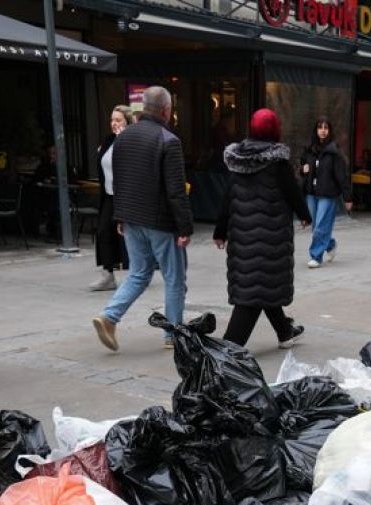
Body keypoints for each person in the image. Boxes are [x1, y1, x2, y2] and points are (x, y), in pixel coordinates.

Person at [91, 85, 193, 352]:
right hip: (159, 220)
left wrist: (120, 216)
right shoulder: (168, 140)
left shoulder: (123, 138)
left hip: (131, 217)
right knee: (174, 277)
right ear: (166, 110)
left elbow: (119, 182)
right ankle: (173, 334)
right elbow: (175, 190)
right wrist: (185, 226)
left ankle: (109, 316)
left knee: (138, 273)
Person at [212, 108, 313, 350]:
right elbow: (292, 192)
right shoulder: (278, 162)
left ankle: (285, 331)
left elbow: (228, 197)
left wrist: (220, 230)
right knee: (257, 289)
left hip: (242, 236)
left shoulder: (238, 160)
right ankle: (229, 349)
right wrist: (305, 216)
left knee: (260, 284)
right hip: (271, 237)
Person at [90, 105, 134, 291]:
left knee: (131, 236)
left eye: (118, 120)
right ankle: (107, 274)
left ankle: (140, 272)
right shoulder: (109, 140)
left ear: (127, 122)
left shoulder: (131, 140)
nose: (114, 123)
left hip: (127, 195)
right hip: (109, 195)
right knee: (103, 232)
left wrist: (122, 138)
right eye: (112, 120)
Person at [299, 117, 353, 268]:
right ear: (315, 130)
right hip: (311, 193)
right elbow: (302, 167)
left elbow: (342, 176)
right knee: (316, 225)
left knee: (321, 226)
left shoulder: (334, 152)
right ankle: (330, 245)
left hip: (327, 195)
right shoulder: (309, 150)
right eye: (320, 128)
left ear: (330, 131)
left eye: (326, 128)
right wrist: (302, 169)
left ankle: (316, 256)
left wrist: (348, 198)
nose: (323, 131)